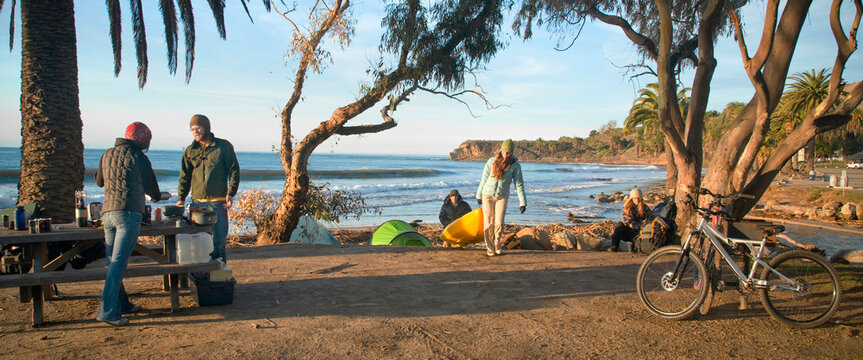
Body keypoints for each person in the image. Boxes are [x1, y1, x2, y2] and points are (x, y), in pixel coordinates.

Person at [94, 122, 162, 326]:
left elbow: (99, 181)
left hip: (107, 214)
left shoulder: (107, 154)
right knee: (118, 263)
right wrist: (157, 197)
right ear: (143, 140)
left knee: (112, 262)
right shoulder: (139, 157)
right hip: (129, 213)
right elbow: (153, 189)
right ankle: (107, 312)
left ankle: (121, 303)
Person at [176, 114, 240, 263]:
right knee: (198, 243)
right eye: (192, 129)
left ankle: (219, 278)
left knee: (218, 243)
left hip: (218, 203)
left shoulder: (223, 146)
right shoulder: (190, 151)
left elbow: (234, 170)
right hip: (197, 203)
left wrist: (231, 193)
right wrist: (181, 199)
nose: (195, 132)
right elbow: (184, 177)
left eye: (198, 128)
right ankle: (200, 278)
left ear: (206, 128)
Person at [476, 139, 526, 257]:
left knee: (499, 223)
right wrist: (479, 195)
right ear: (501, 150)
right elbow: (484, 178)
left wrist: (522, 202)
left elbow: (519, 184)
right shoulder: (491, 161)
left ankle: (497, 243)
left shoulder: (515, 166)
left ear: (512, 152)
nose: (505, 154)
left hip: (502, 196)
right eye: (504, 151)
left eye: (508, 152)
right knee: (488, 223)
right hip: (487, 194)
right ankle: (490, 247)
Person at [608, 187, 651, 252]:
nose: (636, 200)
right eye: (635, 198)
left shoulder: (645, 208)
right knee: (619, 225)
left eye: (638, 198)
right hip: (630, 231)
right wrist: (640, 226)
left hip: (641, 232)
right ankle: (614, 246)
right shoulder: (627, 208)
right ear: (631, 198)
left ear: (641, 199)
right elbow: (628, 221)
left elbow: (650, 217)